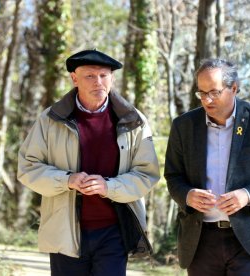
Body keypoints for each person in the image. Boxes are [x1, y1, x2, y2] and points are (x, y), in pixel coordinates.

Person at [18, 49, 160, 276]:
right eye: (90, 76)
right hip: (65, 230)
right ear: (74, 78)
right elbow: (28, 168)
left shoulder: (133, 120)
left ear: (112, 78)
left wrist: (108, 187)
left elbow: (147, 174)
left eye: (104, 76)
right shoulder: (50, 119)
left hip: (114, 231)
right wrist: (67, 180)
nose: (98, 82)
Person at [164, 58, 250, 275]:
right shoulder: (183, 126)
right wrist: (187, 195)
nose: (207, 100)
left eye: (214, 92)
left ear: (234, 88)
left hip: (248, 240)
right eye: (202, 93)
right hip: (200, 240)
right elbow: (173, 176)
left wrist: (247, 195)